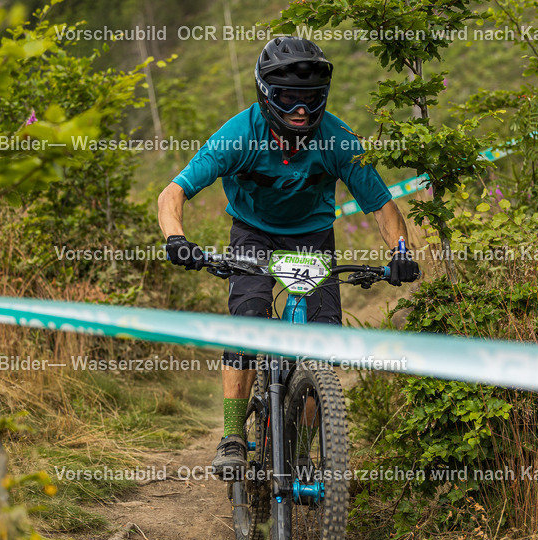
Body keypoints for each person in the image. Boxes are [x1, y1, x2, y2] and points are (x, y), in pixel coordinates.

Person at [157, 36, 420, 478]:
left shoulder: (337, 138)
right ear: (266, 94)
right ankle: (232, 436)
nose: (301, 109)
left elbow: (382, 206)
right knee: (248, 319)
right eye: (288, 98)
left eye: (311, 99)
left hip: (312, 239)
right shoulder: (239, 135)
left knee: (323, 343)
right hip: (253, 234)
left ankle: (300, 450)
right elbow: (173, 192)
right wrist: (176, 238)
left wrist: (400, 252)